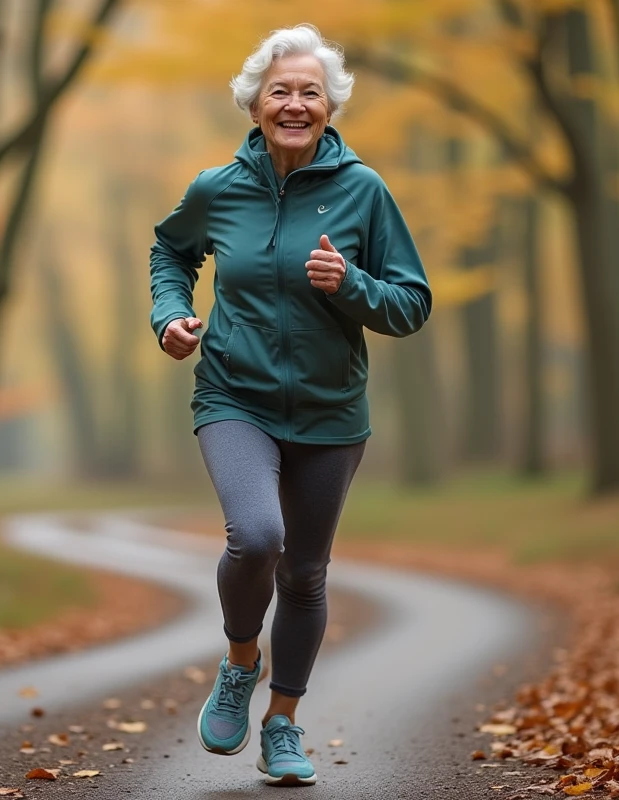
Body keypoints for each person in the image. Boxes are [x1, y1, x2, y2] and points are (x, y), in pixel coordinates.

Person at [148, 23, 432, 787]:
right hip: (233, 394)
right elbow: (170, 250)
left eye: (311, 92)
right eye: (281, 92)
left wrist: (355, 286)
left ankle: (283, 724)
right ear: (255, 105)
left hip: (332, 413)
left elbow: (412, 303)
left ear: (331, 106)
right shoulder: (219, 188)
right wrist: (169, 315)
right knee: (257, 536)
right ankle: (241, 660)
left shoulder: (364, 192)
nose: (295, 104)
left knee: (305, 575)